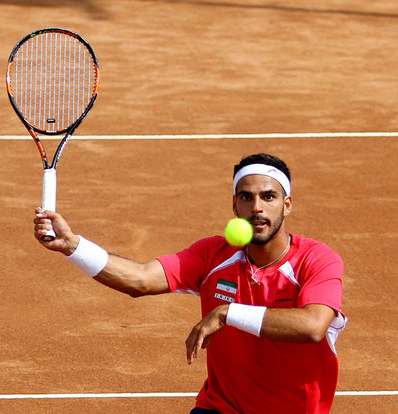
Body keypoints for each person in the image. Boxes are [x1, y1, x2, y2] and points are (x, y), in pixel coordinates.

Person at [33, 153, 347, 414]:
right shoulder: (214, 254)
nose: (257, 208)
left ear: (287, 204)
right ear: (233, 206)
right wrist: (73, 246)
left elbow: (312, 325)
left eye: (269, 197)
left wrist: (227, 313)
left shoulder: (317, 260)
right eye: (246, 197)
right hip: (220, 407)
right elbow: (140, 279)